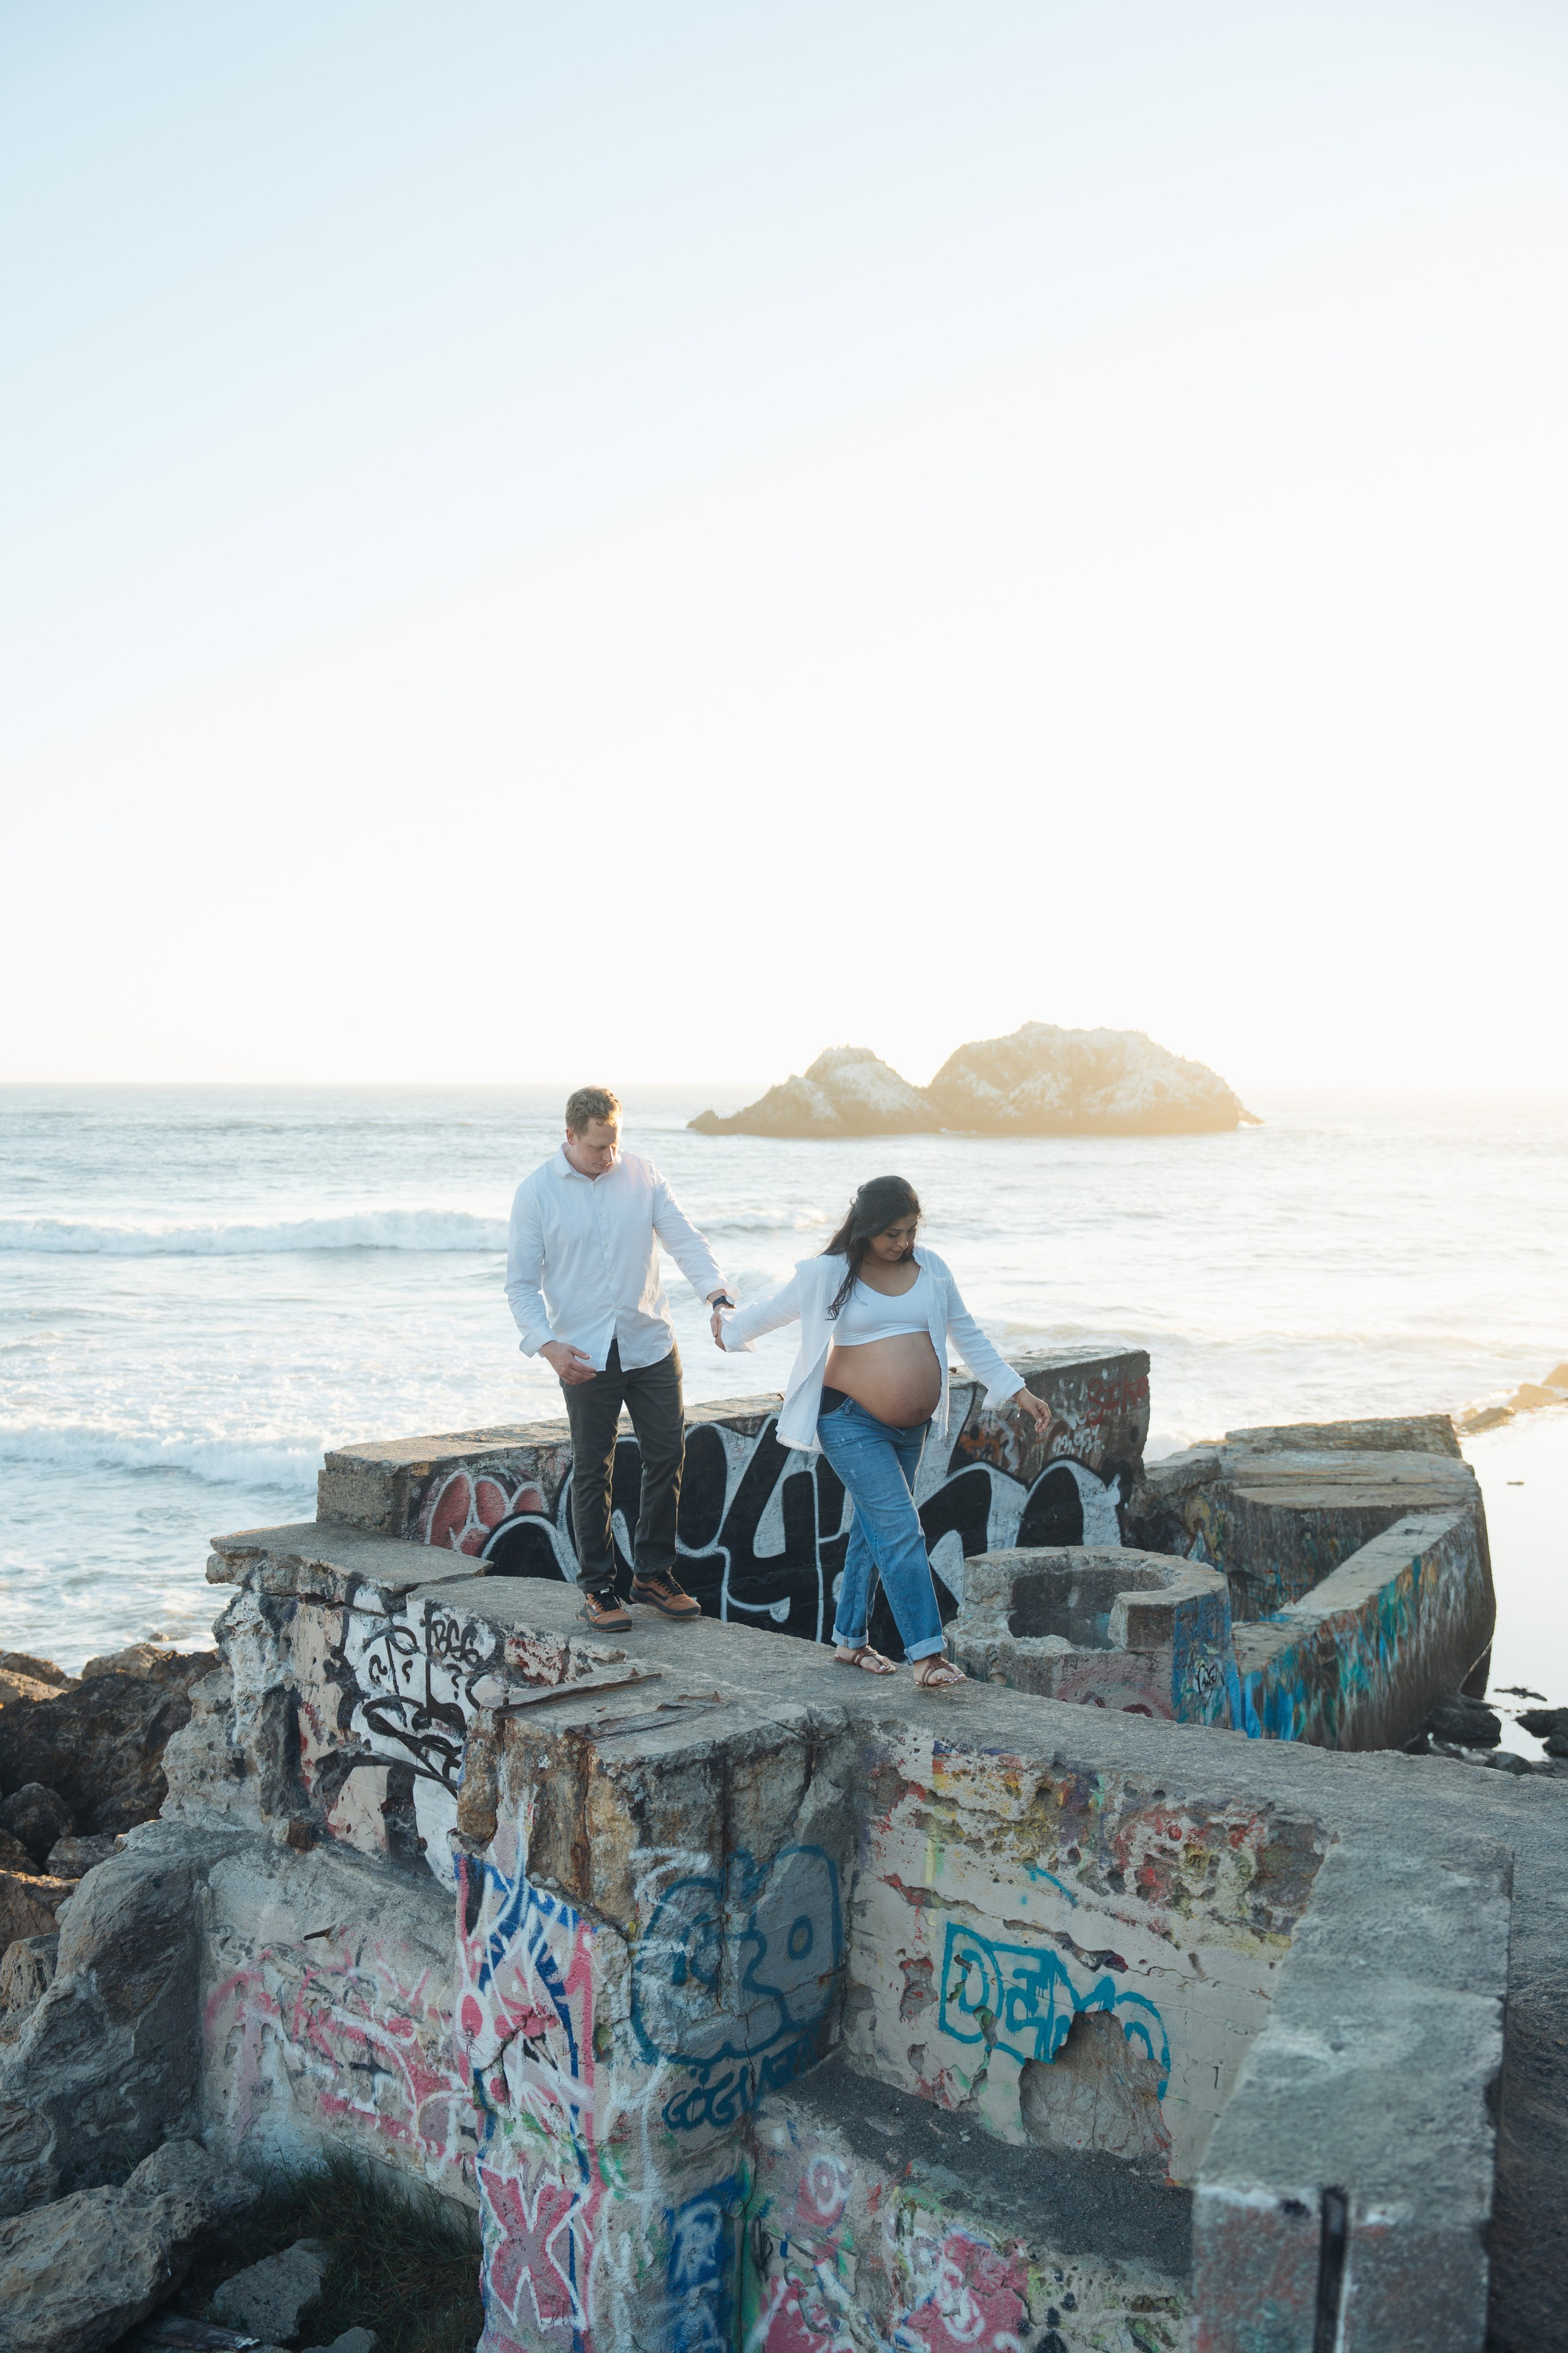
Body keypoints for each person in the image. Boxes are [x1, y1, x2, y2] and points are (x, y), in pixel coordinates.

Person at [713, 1174, 1050, 1689]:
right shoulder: (828, 1273)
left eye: (911, 1231)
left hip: (909, 1430)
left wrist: (1018, 1389)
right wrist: (725, 1323)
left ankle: (849, 1641)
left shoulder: (932, 1268)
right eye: (892, 1233)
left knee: (874, 1532)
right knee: (900, 1529)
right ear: (866, 1226)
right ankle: (928, 1655)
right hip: (849, 1420)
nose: (903, 1242)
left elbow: (969, 1335)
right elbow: (767, 1315)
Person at [505, 1086, 736, 1633]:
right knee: (594, 1467)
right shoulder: (536, 1193)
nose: (607, 1157)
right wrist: (547, 1345)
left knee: (667, 1455)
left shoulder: (643, 1175)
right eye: (595, 1148)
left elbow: (685, 1241)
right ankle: (598, 1587)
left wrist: (718, 1297)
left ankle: (653, 1574)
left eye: (613, 1145)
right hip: (582, 1350)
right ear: (570, 1137)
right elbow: (519, 1285)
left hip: (649, 1339)